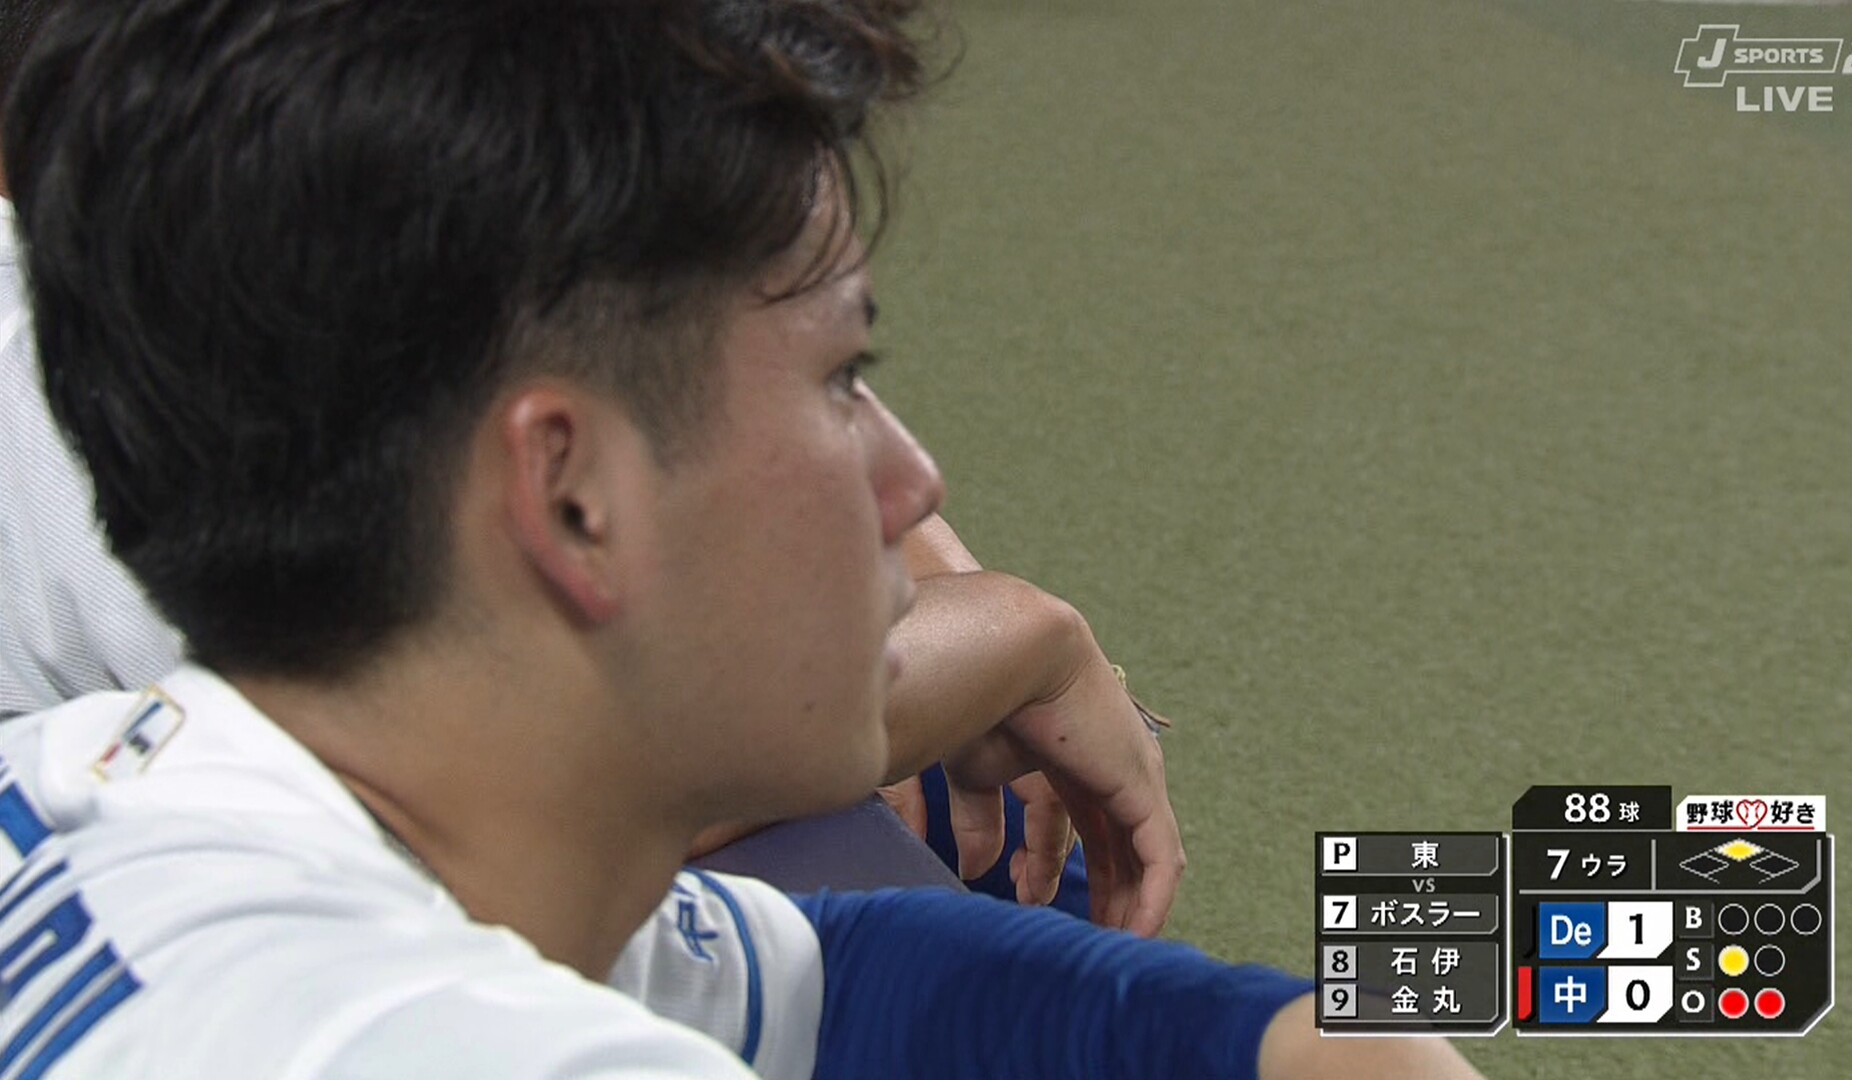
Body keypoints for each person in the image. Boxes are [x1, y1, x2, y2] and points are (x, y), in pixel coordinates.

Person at [0, 1, 1485, 1077]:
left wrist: (1307, 1041)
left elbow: (817, 972)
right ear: (569, 494)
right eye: (844, 379)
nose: (912, 477)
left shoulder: (112, 777)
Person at [0, 0, 1169, 926]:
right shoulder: (102, 365)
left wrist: (937, 587)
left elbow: (704, 340)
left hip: (462, 767)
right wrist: (1010, 643)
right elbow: (498, 801)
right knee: (913, 883)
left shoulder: (304, 194)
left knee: (1018, 822)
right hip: (388, 878)